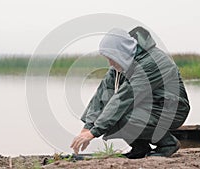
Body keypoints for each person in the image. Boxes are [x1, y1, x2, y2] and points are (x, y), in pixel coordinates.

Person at [71, 26, 190, 159]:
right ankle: (140, 148)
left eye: (111, 57)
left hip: (172, 109)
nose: (110, 62)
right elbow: (103, 93)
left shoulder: (150, 63)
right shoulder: (123, 62)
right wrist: (88, 127)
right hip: (149, 105)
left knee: (121, 115)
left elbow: (124, 98)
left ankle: (168, 144)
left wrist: (94, 132)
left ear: (121, 52)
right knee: (112, 114)